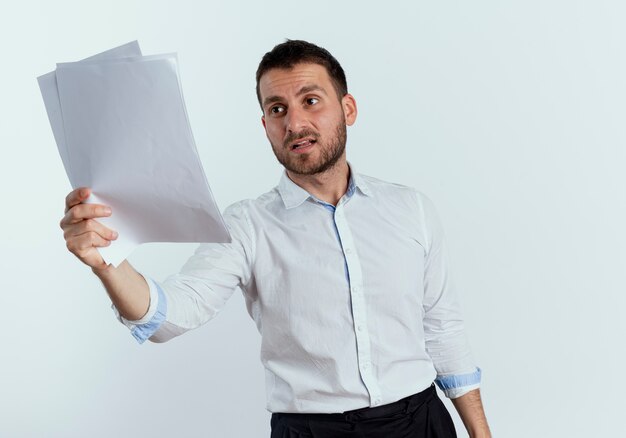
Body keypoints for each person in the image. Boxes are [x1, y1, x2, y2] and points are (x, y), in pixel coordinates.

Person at [60, 40, 491, 437]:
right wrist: (107, 261)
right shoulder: (247, 225)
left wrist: (480, 432)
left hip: (421, 421)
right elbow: (171, 316)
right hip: (311, 430)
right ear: (265, 124)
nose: (295, 123)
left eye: (311, 101)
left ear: (348, 109)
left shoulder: (411, 209)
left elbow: (442, 328)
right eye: (278, 109)